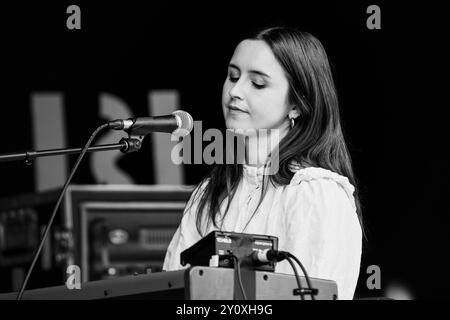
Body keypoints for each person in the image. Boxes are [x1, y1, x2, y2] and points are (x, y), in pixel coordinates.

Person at [163, 26, 363, 300]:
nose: (235, 91)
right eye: (233, 76)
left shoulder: (316, 194)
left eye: (257, 83)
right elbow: (173, 287)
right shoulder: (210, 191)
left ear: (297, 105)